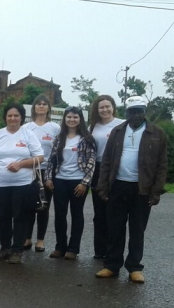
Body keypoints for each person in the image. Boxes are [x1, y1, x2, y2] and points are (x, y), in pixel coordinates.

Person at [95, 96, 168, 283]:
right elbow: (107, 161)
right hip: (118, 186)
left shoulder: (157, 133)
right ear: (126, 112)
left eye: (140, 111)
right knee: (115, 228)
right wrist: (103, 186)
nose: (136, 115)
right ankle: (111, 265)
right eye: (132, 111)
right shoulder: (117, 131)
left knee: (137, 229)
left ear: (145, 111)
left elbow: (161, 166)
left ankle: (134, 267)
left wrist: (156, 191)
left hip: (142, 189)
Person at [0, 103, 44, 264]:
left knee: (20, 217)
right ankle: (5, 248)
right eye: (9, 115)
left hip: (23, 184)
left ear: (21, 117)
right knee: (3, 217)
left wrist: (20, 164)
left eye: (16, 115)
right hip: (0, 184)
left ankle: (17, 250)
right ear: (5, 117)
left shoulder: (28, 134)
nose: (12, 118)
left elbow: (40, 157)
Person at [45, 106, 96, 260]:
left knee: (76, 214)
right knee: (60, 215)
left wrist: (84, 183)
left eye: (75, 117)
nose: (72, 120)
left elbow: (92, 162)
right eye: (69, 117)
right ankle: (60, 247)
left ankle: (73, 249)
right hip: (60, 180)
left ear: (80, 119)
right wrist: (48, 177)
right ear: (64, 119)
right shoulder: (59, 138)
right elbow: (51, 160)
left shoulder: (87, 139)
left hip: (78, 182)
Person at [22, 94, 60, 252]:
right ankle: (27, 238)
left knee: (44, 206)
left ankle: (40, 240)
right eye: (39, 104)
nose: (42, 106)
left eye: (45, 104)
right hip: (30, 170)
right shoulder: (26, 128)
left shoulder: (55, 128)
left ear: (49, 108)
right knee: (29, 206)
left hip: (47, 171)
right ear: (34, 107)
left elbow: (57, 151)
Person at [88, 95, 123, 259]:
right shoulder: (92, 127)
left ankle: (112, 251)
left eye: (107, 106)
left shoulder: (122, 124)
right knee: (99, 212)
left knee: (113, 212)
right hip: (98, 169)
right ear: (97, 110)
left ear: (113, 107)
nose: (104, 110)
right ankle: (99, 250)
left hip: (116, 170)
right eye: (101, 107)